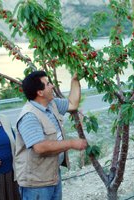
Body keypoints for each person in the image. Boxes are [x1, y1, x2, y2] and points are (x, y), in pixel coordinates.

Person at [15, 71, 87, 200]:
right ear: (40, 92)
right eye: (48, 84)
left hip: (51, 174)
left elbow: (73, 104)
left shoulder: (51, 104)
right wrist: (71, 143)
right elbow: (39, 147)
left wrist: (75, 80)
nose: (52, 86)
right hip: (36, 182)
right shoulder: (29, 116)